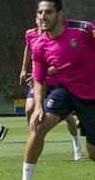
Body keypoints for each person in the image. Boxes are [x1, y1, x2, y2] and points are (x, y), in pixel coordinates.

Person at [7, 0, 95, 180]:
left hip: (94, 96)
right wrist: (39, 106)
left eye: (48, 12)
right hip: (65, 91)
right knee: (38, 126)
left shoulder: (84, 30)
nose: (43, 16)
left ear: (60, 14)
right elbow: (39, 80)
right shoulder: (39, 45)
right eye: (40, 12)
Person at [20, 18, 82, 160]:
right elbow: (28, 48)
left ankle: (76, 141)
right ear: (36, 19)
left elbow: (64, 62)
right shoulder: (30, 34)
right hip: (39, 82)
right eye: (39, 16)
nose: (42, 20)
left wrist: (44, 72)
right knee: (29, 109)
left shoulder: (58, 37)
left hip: (57, 82)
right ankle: (35, 140)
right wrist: (23, 68)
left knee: (68, 118)